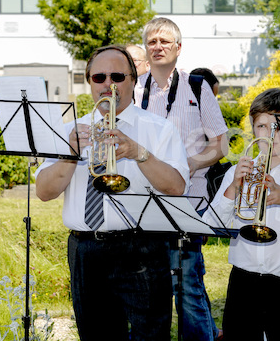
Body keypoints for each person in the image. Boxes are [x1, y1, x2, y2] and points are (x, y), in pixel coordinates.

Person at [35, 45, 190, 341]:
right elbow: (44, 192)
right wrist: (70, 155)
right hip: (85, 250)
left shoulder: (159, 129)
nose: (108, 84)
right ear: (89, 81)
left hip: (142, 247)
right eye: (99, 77)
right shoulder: (68, 129)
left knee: (151, 336)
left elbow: (176, 187)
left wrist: (138, 152)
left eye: (117, 76)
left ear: (133, 80)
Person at [203, 88, 280, 341]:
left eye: (279, 126)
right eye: (262, 126)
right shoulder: (237, 172)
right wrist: (232, 190)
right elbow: (210, 226)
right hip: (242, 283)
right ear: (253, 129)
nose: (270, 134)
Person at [133, 17, 228, 341]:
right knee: (148, 289)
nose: (157, 47)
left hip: (190, 199)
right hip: (144, 204)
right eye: (152, 42)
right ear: (146, 49)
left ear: (178, 47)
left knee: (188, 285)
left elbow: (220, 143)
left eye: (164, 41)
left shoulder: (198, 87)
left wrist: (184, 166)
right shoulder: (133, 88)